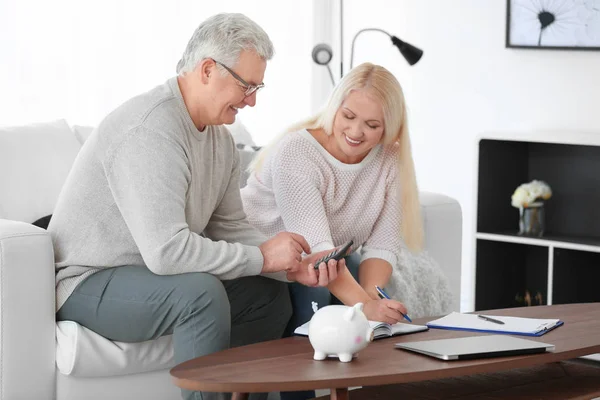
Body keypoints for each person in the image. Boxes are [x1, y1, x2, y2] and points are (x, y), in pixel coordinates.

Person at [49, 13, 344, 400]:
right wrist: (263, 258)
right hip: (87, 282)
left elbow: (229, 227)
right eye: (247, 85)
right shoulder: (150, 130)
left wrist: (290, 268)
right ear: (208, 69)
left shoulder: (220, 141)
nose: (253, 100)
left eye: (259, 87)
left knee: (266, 299)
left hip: (148, 276)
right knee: (200, 294)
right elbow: (167, 252)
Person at [241, 62, 424, 400]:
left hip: (322, 259)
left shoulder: (390, 159)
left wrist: (371, 303)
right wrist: (363, 307)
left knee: (360, 291)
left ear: (390, 128)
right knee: (319, 294)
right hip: (266, 257)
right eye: (348, 116)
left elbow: (382, 247)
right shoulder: (298, 151)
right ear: (334, 107)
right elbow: (316, 252)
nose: (356, 132)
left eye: (372, 125)